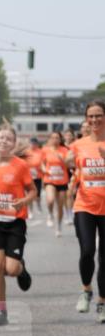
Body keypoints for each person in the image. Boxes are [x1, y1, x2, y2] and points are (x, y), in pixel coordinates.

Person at [0, 126, 36, 326]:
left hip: (15, 222)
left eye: (9, 139)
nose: (4, 141)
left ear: (14, 144)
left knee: (11, 269)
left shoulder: (20, 165)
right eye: (1, 138)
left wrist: (24, 201)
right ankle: (1, 311)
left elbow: (32, 191)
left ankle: (21, 268)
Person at [70, 100, 105, 322]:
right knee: (86, 250)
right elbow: (71, 166)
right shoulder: (78, 145)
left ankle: (102, 301)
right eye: (90, 116)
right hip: (85, 205)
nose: (94, 120)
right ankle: (86, 289)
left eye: (99, 115)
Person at [41, 131, 70, 235]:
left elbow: (69, 164)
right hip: (50, 179)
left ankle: (58, 227)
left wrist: (63, 159)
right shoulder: (45, 150)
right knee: (50, 200)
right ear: (49, 139)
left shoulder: (65, 150)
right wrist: (44, 170)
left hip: (62, 181)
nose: (55, 140)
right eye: (53, 137)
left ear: (60, 139)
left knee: (60, 206)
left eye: (57, 138)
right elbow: (42, 164)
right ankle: (50, 214)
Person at [22, 137, 44, 218]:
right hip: (28, 176)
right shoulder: (26, 152)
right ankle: (30, 210)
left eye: (34, 143)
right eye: (32, 143)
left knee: (38, 194)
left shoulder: (40, 152)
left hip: (38, 176)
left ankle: (38, 204)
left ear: (37, 144)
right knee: (29, 194)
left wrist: (43, 169)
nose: (33, 145)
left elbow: (42, 162)